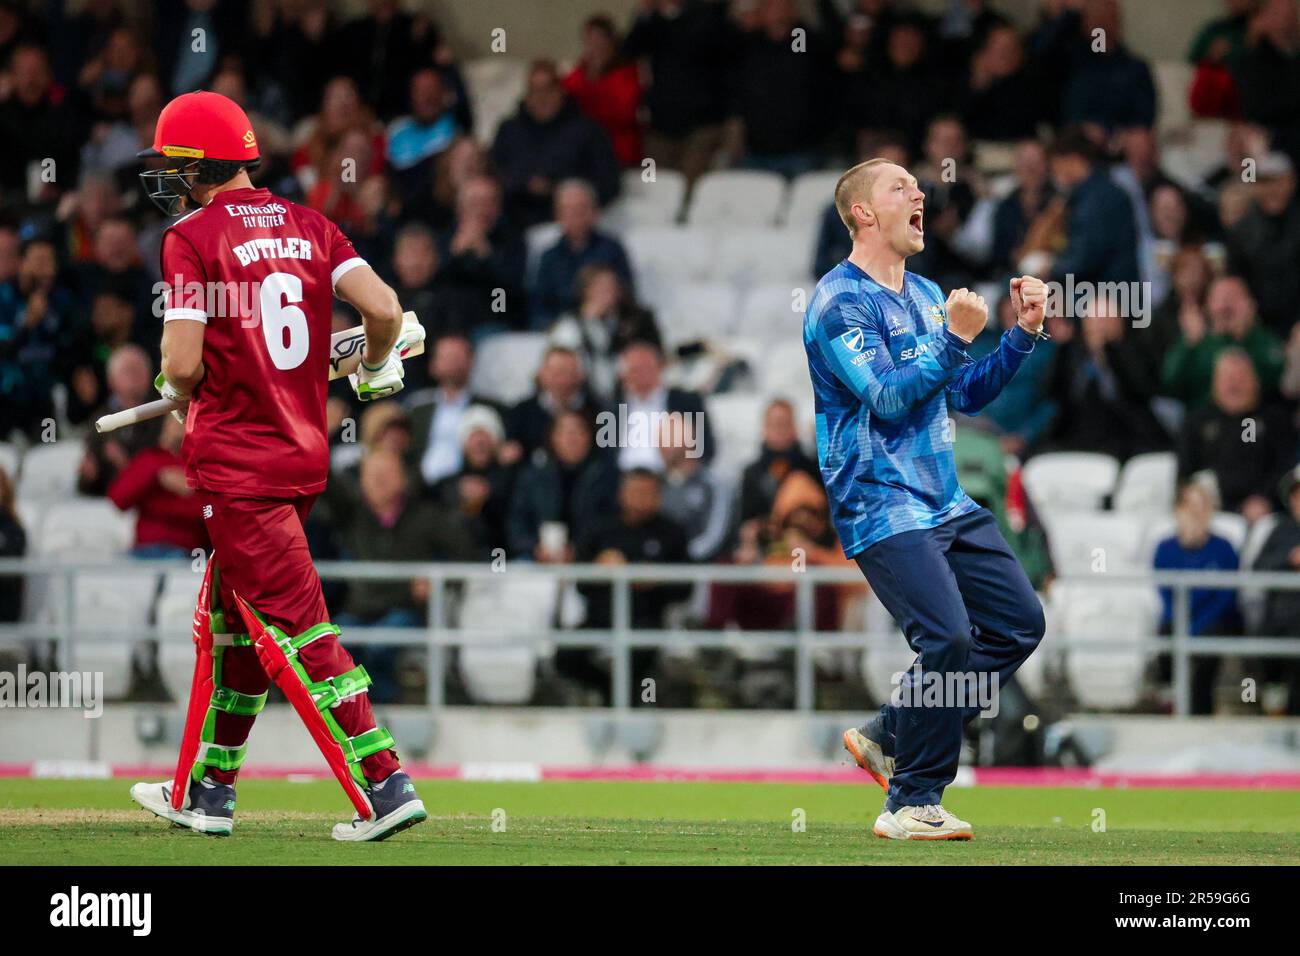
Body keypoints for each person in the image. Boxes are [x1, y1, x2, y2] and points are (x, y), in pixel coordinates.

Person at [127, 90, 427, 842]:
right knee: (226, 628)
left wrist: (176, 383)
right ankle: (209, 793)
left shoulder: (191, 237)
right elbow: (385, 311)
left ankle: (384, 783)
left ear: (200, 166)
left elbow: (185, 362)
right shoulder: (312, 224)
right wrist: (377, 368)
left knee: (298, 630)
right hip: (300, 458)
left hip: (237, 466)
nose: (166, 176)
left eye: (173, 162)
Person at [803, 157, 1048, 840]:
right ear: (863, 213)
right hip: (878, 497)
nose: (920, 194)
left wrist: (1021, 334)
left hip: (942, 497)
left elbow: (962, 391)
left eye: (917, 185)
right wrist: (950, 339)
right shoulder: (837, 302)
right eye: (900, 187)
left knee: (1019, 624)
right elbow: (883, 394)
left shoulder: (925, 292)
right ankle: (911, 801)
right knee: (946, 636)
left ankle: (890, 731)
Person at [1153, 482, 1242, 714]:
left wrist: (1195, 626)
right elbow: (1163, 592)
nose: (1195, 512)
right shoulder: (1165, 548)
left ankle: (1200, 709)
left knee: (1208, 642)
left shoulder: (1224, 548)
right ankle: (1168, 700)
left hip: (1213, 619)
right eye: (1190, 505)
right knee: (1165, 634)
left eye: (1201, 505)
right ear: (1178, 510)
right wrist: (1182, 622)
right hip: (1178, 617)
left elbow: (1227, 596)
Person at [107, 415, 209, 558]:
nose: (178, 426)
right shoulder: (151, 459)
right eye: (173, 421)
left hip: (188, 553)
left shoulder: (205, 465)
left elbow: (213, 513)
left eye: (183, 421)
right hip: (145, 550)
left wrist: (191, 491)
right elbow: (118, 499)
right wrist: (158, 473)